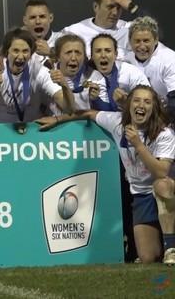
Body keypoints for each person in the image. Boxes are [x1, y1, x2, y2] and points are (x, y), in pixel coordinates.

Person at [37, 85, 175, 264]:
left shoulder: (164, 134)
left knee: (161, 186)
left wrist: (138, 145)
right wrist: (58, 119)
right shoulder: (117, 122)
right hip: (140, 195)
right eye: (137, 100)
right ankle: (163, 247)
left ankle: (171, 249)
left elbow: (160, 172)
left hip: (166, 190)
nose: (141, 105)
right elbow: (88, 113)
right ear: (129, 105)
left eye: (147, 102)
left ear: (154, 108)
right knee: (147, 257)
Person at [0, 28, 75, 125]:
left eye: (25, 51)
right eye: (16, 51)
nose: (20, 57)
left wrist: (64, 85)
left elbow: (68, 109)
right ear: (7, 52)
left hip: (31, 132)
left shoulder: (39, 72)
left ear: (31, 53)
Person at [60, 0, 149, 60]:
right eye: (110, 7)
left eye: (119, 8)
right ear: (96, 7)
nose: (115, 13)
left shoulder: (128, 29)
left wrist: (132, 7)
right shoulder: (74, 32)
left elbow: (156, 34)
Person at [124, 17, 175, 119]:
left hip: (165, 115)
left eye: (146, 41)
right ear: (130, 41)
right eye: (137, 41)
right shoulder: (126, 59)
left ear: (156, 39)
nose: (142, 46)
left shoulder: (170, 59)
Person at [85, 34, 149, 112]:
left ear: (116, 54)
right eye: (98, 51)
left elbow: (148, 104)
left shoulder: (132, 73)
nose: (103, 55)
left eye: (108, 50)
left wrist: (126, 103)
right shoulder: (83, 75)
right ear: (92, 56)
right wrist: (95, 100)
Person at [49, 35, 91, 114]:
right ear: (58, 56)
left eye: (78, 53)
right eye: (68, 53)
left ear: (84, 56)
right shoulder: (48, 77)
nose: (73, 58)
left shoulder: (93, 75)